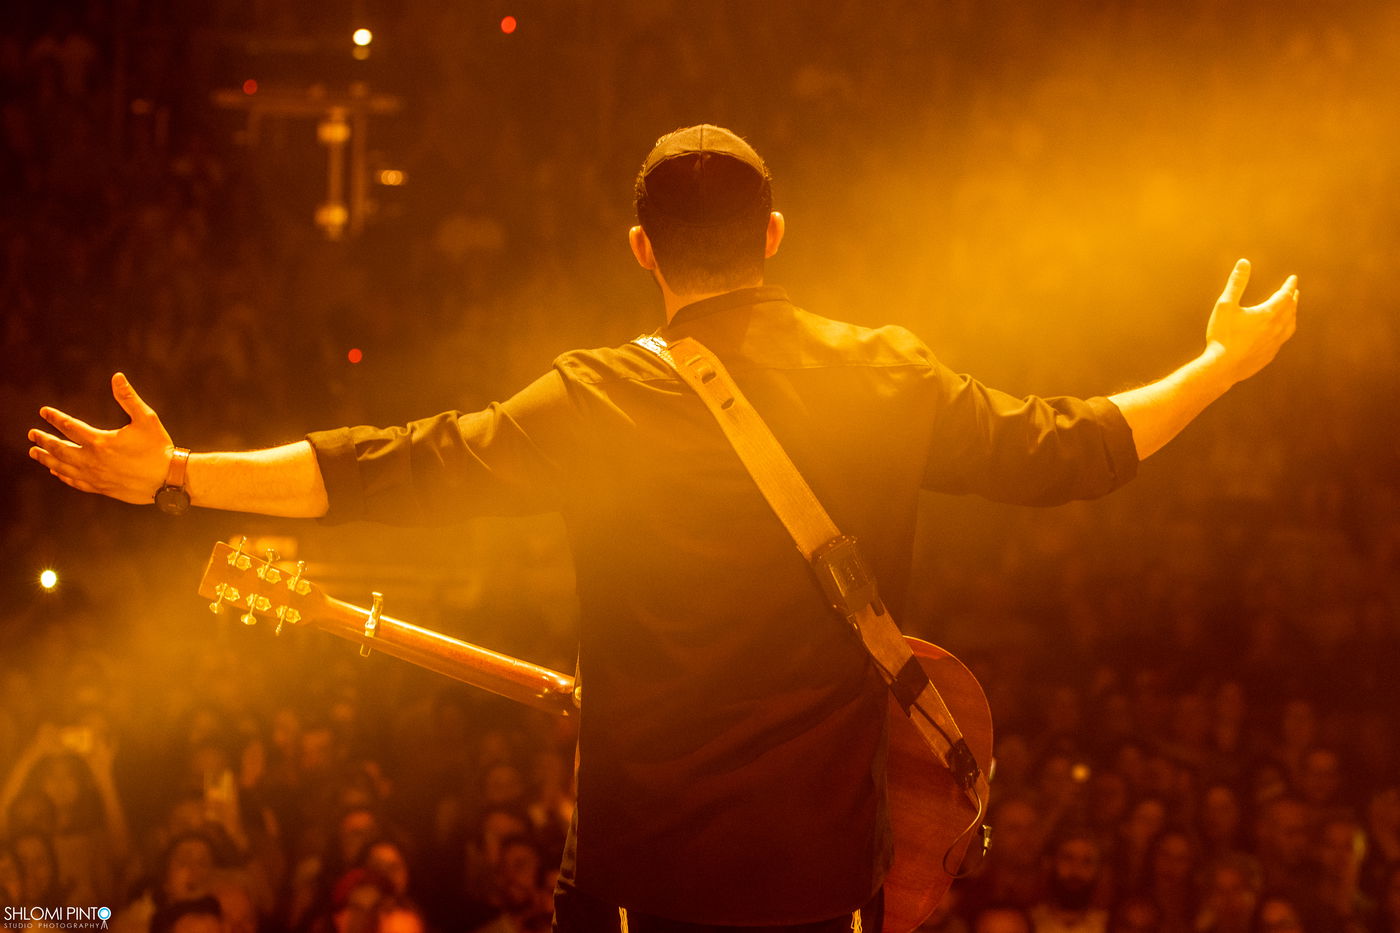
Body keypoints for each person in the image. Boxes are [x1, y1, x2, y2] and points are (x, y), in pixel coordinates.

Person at [27, 124, 1300, 932]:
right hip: (817, 897)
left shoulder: (594, 397)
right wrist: (1219, 367)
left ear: (641, 250)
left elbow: (391, 467)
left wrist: (179, 475)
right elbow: (1075, 449)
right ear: (775, 238)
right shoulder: (883, 373)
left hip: (645, 890)